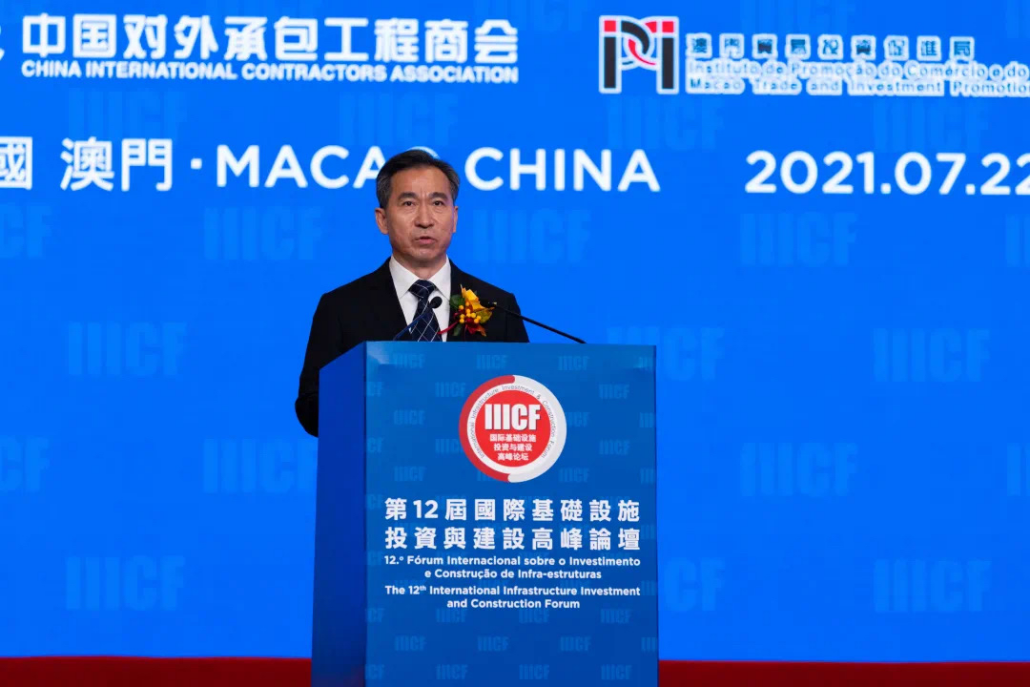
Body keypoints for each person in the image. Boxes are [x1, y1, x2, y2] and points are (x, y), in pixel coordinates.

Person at [294, 149, 530, 437]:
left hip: (471, 463)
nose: (425, 219)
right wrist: (376, 398)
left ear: (455, 218)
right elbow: (311, 409)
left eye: (437, 203)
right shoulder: (341, 307)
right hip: (382, 461)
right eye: (408, 203)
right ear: (382, 219)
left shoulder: (497, 305)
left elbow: (524, 400)